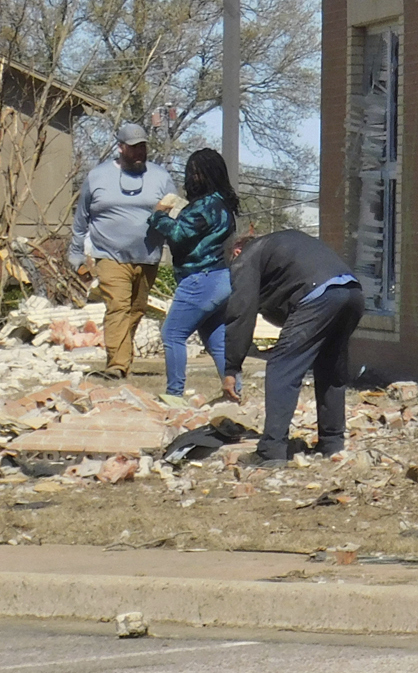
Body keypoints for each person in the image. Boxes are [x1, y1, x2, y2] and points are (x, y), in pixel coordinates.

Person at [220, 231, 363, 463]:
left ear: (236, 251)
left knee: (281, 368)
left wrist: (231, 367)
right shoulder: (282, 246)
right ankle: (332, 443)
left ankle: (271, 451)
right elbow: (282, 307)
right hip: (353, 292)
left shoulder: (247, 256)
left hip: (319, 295)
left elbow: (241, 312)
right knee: (330, 369)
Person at [66, 123, 172, 379]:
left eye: (143, 147)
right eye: (134, 148)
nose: (139, 153)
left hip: (148, 257)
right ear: (121, 147)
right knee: (117, 307)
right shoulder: (98, 176)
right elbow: (81, 220)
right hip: (109, 255)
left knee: (136, 310)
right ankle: (117, 365)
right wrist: (76, 255)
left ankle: (123, 355)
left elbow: (175, 212)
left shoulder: (160, 176)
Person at [148, 148, 239, 404]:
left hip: (200, 279)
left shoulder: (205, 205)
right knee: (217, 340)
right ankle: (235, 394)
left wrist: (158, 215)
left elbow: (178, 234)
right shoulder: (222, 203)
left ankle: (175, 394)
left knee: (172, 334)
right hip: (221, 278)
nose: (191, 178)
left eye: (194, 173)